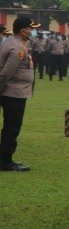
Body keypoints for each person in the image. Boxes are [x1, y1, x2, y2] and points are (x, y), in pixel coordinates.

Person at [0, 16, 39, 171]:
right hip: (13, 93)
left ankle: (4, 158)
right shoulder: (18, 48)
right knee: (12, 128)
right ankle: (5, 161)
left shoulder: (13, 42)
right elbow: (6, 74)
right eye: (31, 28)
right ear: (23, 31)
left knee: (10, 127)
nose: (33, 31)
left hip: (14, 91)